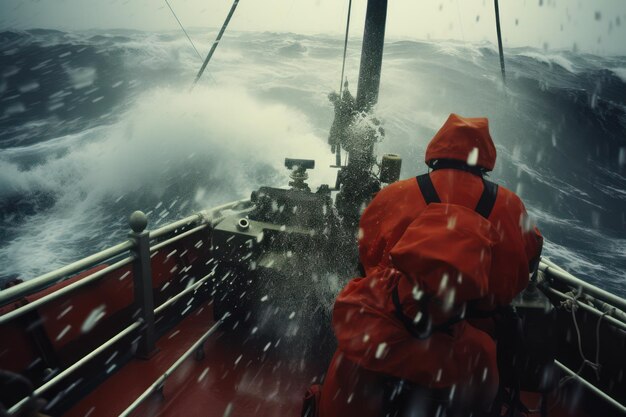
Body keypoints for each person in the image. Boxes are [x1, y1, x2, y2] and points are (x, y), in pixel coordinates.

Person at [316, 114, 543, 417]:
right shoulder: (510, 206)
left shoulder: (395, 194)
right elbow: (522, 270)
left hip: (392, 319)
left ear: (437, 149)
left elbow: (368, 255)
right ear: (484, 157)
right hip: (472, 328)